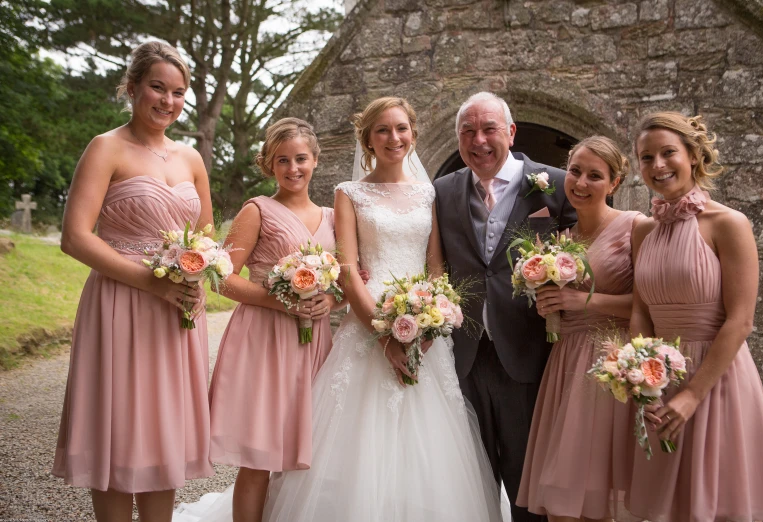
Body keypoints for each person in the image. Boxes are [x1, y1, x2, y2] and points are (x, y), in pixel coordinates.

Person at [253, 96, 503, 522]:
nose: (394, 137)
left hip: (425, 328)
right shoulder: (349, 193)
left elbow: (436, 265)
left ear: (413, 133)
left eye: (402, 128)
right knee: (358, 442)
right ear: (367, 139)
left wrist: (429, 322)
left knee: (431, 443)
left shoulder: (429, 192)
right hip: (368, 323)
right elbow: (349, 272)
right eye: (383, 130)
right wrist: (386, 333)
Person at [53, 41, 214, 522]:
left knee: (162, 433)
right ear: (133, 87)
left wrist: (196, 275)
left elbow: (205, 236)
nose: (168, 101)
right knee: (119, 430)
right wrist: (151, 283)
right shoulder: (106, 147)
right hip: (121, 302)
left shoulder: (191, 158)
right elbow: (75, 237)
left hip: (177, 308)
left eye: (179, 92)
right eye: (157, 88)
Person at [627, 112, 763, 522]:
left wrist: (692, 395)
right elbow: (641, 309)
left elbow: (741, 320)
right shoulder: (643, 231)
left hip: (715, 380)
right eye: (646, 158)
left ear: (693, 155)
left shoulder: (729, 224)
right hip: (659, 380)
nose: (657, 165)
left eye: (667, 153)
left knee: (716, 506)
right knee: (667, 507)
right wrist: (642, 381)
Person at [433, 91, 577, 522]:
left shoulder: (555, 183)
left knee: (526, 477)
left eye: (489, 128)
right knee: (469, 474)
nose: (479, 140)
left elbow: (589, 249)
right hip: (463, 353)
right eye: (467, 132)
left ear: (511, 132)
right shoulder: (441, 190)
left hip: (529, 352)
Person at [207, 118, 345, 522]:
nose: (293, 168)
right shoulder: (257, 210)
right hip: (264, 339)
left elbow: (344, 282)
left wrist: (330, 302)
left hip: (313, 341)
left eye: (300, 158)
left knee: (306, 453)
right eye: (282, 160)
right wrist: (279, 301)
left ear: (315, 160)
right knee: (260, 454)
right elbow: (220, 276)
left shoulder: (333, 216)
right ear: (269, 164)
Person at [516, 136, 642, 521]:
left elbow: (649, 306)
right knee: (563, 502)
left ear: (615, 183)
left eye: (595, 176)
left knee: (605, 494)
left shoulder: (635, 227)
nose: (581, 183)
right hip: (566, 364)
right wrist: (549, 306)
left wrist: (582, 301)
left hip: (611, 361)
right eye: (575, 171)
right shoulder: (558, 241)